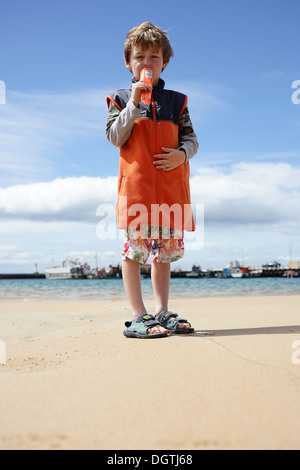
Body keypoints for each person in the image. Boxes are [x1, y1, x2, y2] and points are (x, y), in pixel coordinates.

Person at [106, 21, 199, 338]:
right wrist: (133, 103)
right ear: (128, 63)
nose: (147, 63)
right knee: (134, 253)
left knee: (164, 254)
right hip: (137, 192)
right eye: (140, 57)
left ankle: (162, 311)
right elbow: (115, 137)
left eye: (154, 57)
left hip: (171, 192)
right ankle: (138, 316)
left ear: (165, 62)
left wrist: (182, 155)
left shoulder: (177, 101)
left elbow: (191, 140)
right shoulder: (119, 99)